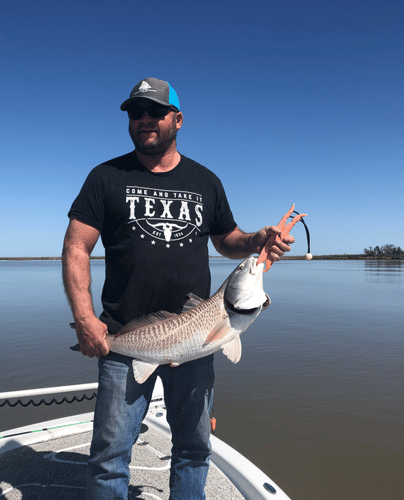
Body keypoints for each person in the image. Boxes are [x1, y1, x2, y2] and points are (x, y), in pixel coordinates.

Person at [62, 77, 295, 500]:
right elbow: (77, 245)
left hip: (198, 339)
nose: (145, 119)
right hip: (124, 336)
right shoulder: (105, 176)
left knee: (193, 448)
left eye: (155, 111)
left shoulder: (205, 180)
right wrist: (84, 319)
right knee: (109, 455)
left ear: (178, 119)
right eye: (136, 113)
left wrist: (256, 241)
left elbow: (228, 240)